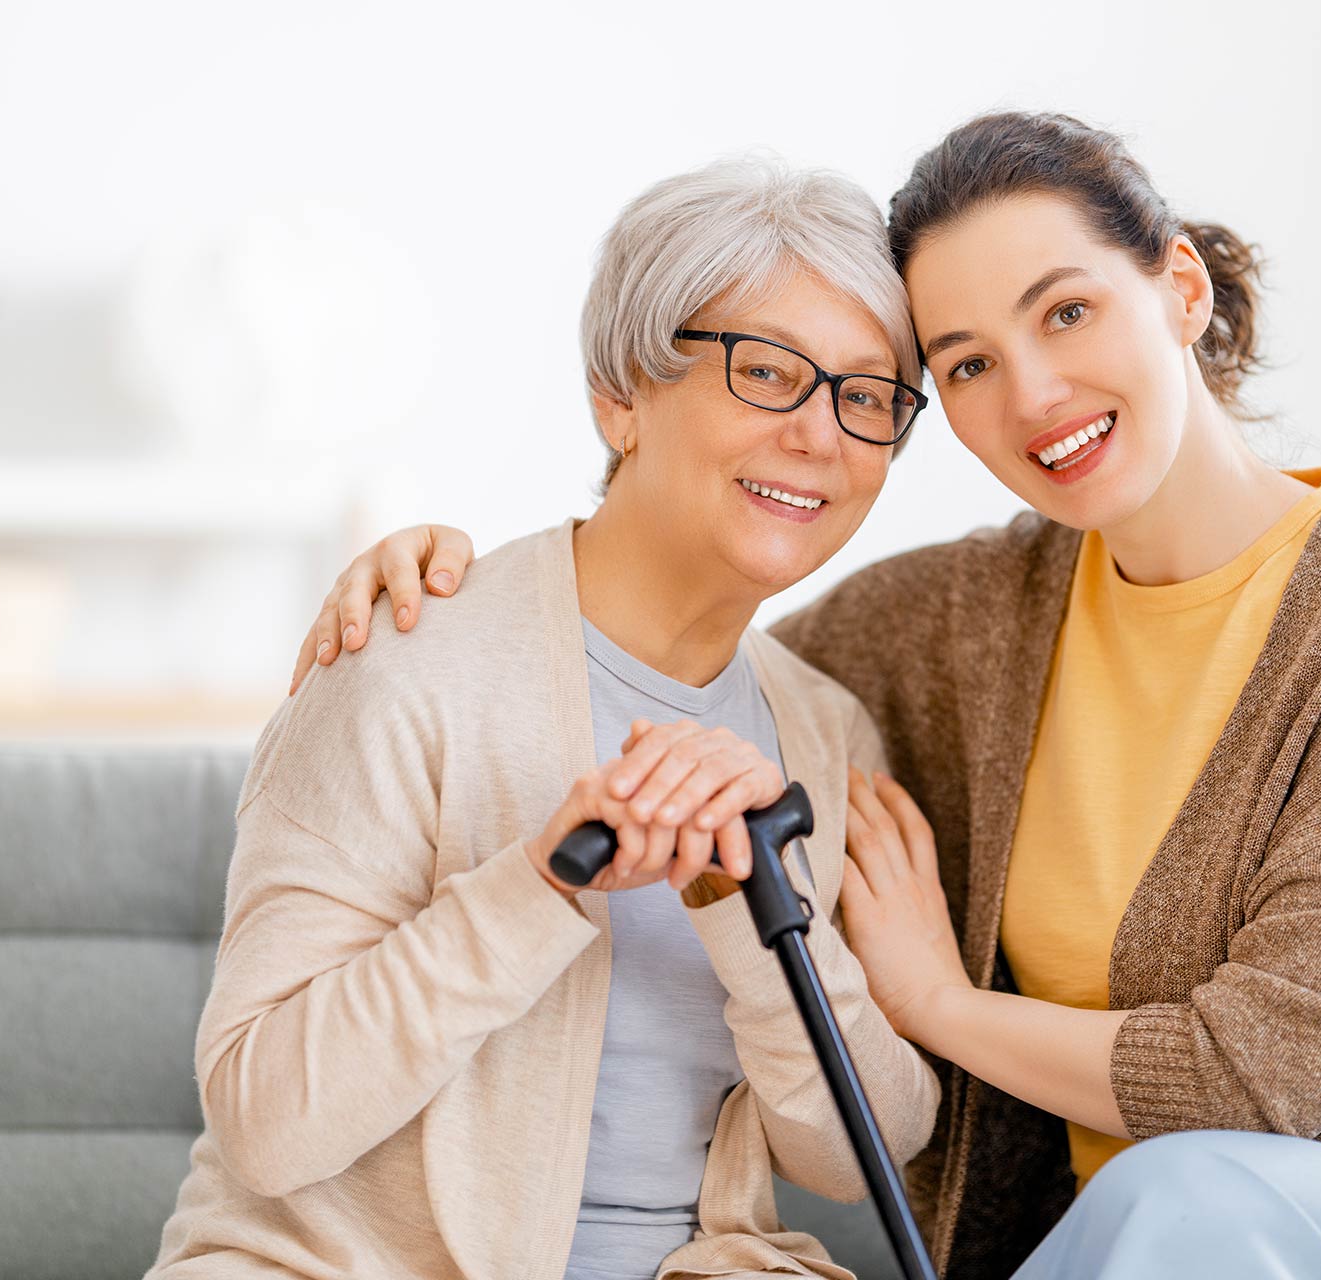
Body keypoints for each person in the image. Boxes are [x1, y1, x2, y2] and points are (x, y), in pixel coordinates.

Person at [288, 113, 1321, 1278]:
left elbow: (1270, 1082)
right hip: (1145, 1251)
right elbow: (673, 648)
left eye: (1067, 311)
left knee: (1184, 1194)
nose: (1034, 392)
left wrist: (938, 1005)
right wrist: (443, 580)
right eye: (965, 364)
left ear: (1181, 290)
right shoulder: (961, 617)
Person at [145, 156, 939, 1280]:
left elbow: (860, 1155)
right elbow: (266, 1121)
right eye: (766, 371)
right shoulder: (404, 659)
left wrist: (751, 902)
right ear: (621, 394)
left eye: (866, 396)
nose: (821, 433)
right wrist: (541, 883)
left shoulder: (822, 729)